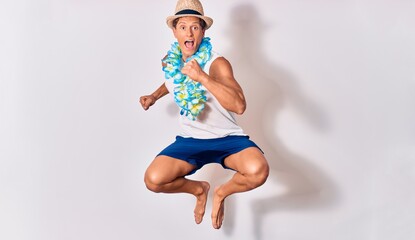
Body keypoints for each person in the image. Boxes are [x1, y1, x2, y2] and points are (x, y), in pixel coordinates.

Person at [139, 0, 269, 230]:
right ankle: (199, 189)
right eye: (183, 27)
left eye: (195, 27)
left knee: (258, 171)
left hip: (228, 140)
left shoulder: (217, 63)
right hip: (191, 141)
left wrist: (203, 77)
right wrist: (153, 96)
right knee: (153, 180)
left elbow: (239, 105)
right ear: (174, 31)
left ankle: (221, 192)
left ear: (203, 30)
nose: (189, 32)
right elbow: (172, 82)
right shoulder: (173, 61)